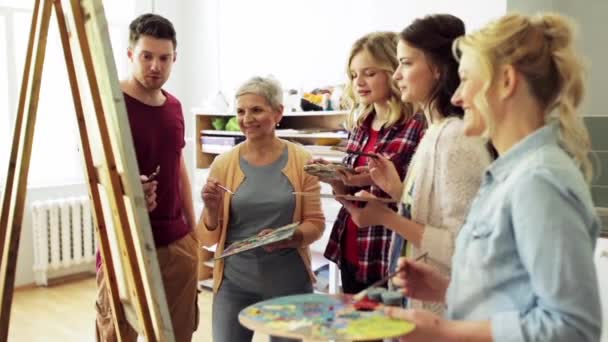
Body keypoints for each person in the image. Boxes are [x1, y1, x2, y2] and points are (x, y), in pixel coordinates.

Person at [386, 13, 602, 342]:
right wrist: (447, 290)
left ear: (505, 82)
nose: (456, 96)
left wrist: (444, 331)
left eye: (466, 79)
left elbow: (572, 327)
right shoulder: (508, 175)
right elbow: (516, 295)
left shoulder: (539, 180)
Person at [340, 15, 492, 313]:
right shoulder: (436, 132)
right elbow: (433, 215)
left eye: (406, 64)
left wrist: (386, 217)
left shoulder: (455, 139)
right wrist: (398, 194)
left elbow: (461, 248)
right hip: (422, 303)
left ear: (437, 69)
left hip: (443, 310)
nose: (397, 76)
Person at [95, 14, 199, 342]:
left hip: (176, 243)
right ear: (130, 55)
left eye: (164, 58)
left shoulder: (175, 107)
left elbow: (178, 164)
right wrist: (126, 188)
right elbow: (94, 170)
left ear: (174, 59)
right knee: (116, 334)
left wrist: (192, 232)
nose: (156, 66)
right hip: (124, 245)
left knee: (178, 335)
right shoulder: (109, 104)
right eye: (147, 56)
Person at [198, 76, 325, 342]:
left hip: (289, 282)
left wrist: (293, 237)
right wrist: (211, 209)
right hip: (233, 283)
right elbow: (207, 238)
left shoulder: (302, 160)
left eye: (256, 110)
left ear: (278, 112)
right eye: (241, 111)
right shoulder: (223, 164)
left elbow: (315, 222)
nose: (247, 119)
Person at [321, 31, 426, 294]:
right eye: (354, 75)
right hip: (351, 249)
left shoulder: (418, 126)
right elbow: (348, 194)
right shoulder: (360, 126)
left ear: (394, 71)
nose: (359, 82)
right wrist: (336, 180)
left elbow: (420, 200)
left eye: (369, 73)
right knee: (356, 332)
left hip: (388, 253)